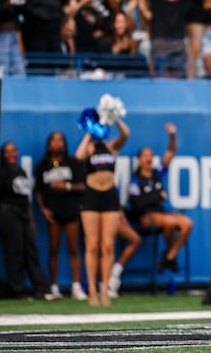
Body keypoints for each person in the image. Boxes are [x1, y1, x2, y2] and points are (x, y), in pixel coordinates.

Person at [75, 119, 129, 306]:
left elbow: (125, 134)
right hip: (91, 196)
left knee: (107, 245)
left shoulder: (111, 147)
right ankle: (91, 289)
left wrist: (115, 118)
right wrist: (89, 131)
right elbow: (78, 155)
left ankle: (104, 289)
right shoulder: (89, 148)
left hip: (110, 197)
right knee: (92, 245)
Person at [127, 123, 193, 273]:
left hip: (161, 214)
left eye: (151, 155)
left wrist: (172, 135)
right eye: (145, 156)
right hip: (145, 217)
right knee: (168, 223)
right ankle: (170, 258)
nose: (149, 158)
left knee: (187, 223)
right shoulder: (135, 180)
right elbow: (136, 204)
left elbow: (170, 152)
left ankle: (170, 256)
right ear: (139, 159)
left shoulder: (157, 174)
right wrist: (157, 195)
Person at [34, 131, 87, 301]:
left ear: (64, 144)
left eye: (60, 140)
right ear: (49, 144)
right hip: (53, 213)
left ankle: (76, 286)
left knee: (73, 249)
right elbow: (38, 191)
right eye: (53, 140)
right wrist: (43, 209)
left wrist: (66, 187)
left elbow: (82, 186)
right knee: (54, 249)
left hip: (70, 210)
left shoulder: (72, 163)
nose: (57, 143)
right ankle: (54, 286)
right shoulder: (42, 165)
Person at [0, 142, 54, 300]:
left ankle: (41, 288)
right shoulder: (1, 173)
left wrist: (31, 221)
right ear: (3, 154)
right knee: (15, 251)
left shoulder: (21, 171)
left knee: (31, 250)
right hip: (8, 214)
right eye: (8, 151)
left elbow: (26, 199)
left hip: (23, 214)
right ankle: (17, 289)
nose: (11, 154)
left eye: (14, 150)